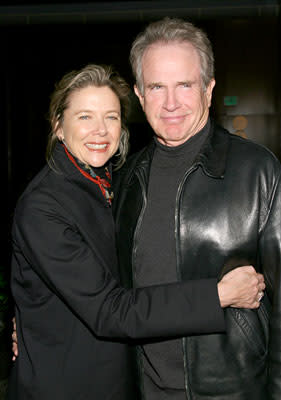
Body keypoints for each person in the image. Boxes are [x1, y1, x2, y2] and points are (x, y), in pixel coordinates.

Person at [8, 63, 265, 400]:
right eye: (85, 117)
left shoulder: (107, 181)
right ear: (58, 126)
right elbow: (110, 311)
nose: (100, 130)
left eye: (111, 117)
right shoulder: (43, 207)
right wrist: (217, 295)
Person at [113, 17, 281, 400]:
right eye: (156, 87)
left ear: (209, 89)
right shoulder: (125, 178)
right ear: (138, 94)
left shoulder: (259, 173)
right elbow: (107, 296)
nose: (170, 103)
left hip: (234, 391)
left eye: (184, 84)